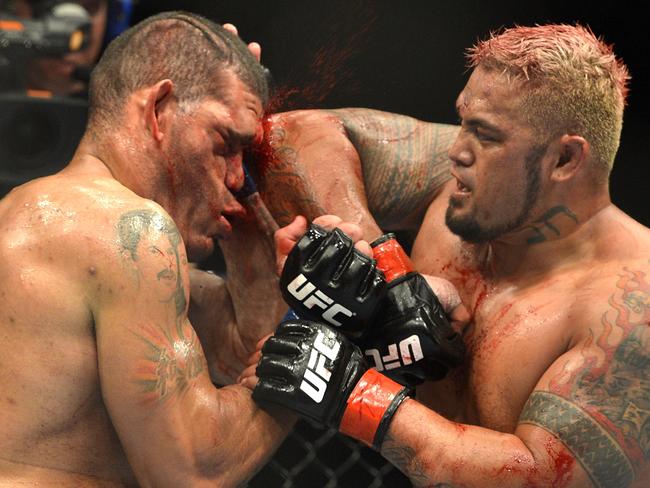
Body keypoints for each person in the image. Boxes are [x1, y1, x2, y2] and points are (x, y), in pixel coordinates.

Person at [242, 24, 650, 487]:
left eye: (485, 135)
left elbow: (543, 476)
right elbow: (288, 138)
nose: (456, 151)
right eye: (462, 122)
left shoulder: (631, 307)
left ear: (564, 160)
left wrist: (350, 394)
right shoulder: (471, 184)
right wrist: (390, 274)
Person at [0, 11, 294, 486]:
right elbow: (195, 469)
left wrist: (256, 257)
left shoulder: (28, 218)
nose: (239, 178)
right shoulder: (129, 232)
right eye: (225, 142)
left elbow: (242, 354)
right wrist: (315, 358)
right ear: (159, 109)